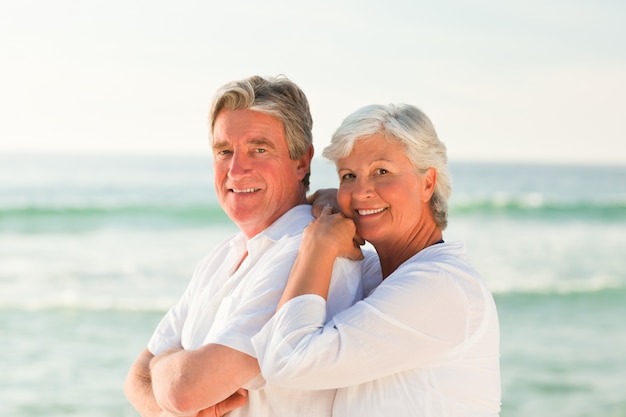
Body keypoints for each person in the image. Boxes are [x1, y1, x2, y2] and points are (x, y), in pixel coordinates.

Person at [123, 75, 362, 417]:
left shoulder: (307, 251)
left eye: (258, 149)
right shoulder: (224, 255)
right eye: (224, 152)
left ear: (301, 162)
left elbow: (182, 389)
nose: (236, 170)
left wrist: (163, 368)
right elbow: (135, 380)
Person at [253, 103, 501, 416]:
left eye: (381, 172)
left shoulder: (441, 286)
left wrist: (318, 246)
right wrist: (326, 204)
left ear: (427, 183)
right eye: (349, 176)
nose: (361, 192)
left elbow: (288, 360)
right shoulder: (375, 273)